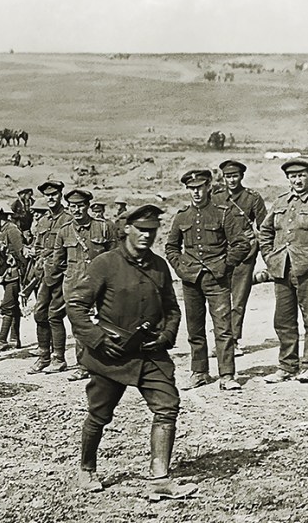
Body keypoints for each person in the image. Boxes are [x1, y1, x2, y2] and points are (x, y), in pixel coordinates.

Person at [66, 205, 187, 496]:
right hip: (111, 354)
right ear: (127, 230)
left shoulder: (159, 265)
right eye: (141, 230)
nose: (147, 235)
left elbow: (171, 308)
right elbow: (76, 305)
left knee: (167, 407)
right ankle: (86, 470)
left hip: (149, 353)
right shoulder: (105, 263)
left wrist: (166, 336)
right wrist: (96, 339)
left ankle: (160, 478)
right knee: (99, 413)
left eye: (152, 230)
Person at [164, 168, 250, 391]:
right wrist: (180, 267)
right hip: (191, 279)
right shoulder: (182, 216)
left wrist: (225, 265)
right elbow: (171, 247)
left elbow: (242, 244)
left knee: (223, 328)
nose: (196, 193)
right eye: (191, 189)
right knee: (194, 328)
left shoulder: (223, 213)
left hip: (217, 279)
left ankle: (227, 375)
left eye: (200, 188)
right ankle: (199, 372)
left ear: (209, 187)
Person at [259, 158, 308, 383]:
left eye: (301, 175)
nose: (297, 180)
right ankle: (287, 366)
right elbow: (265, 231)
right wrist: (270, 257)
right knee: (283, 319)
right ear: (288, 179)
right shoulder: (281, 201)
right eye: (293, 176)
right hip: (282, 268)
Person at [53, 189, 118, 381]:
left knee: (107, 321)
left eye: (80, 205)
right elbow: (58, 261)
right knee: (80, 325)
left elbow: (115, 255)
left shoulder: (104, 227)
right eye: (73, 206)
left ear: (88, 206)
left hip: (102, 283)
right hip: (75, 285)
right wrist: (73, 274)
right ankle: (83, 366)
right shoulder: (64, 231)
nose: (77, 210)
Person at [212, 159, 267, 355]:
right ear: (223, 177)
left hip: (245, 254)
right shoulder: (215, 197)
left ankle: (233, 340)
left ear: (241, 176)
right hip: (220, 254)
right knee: (219, 298)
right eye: (228, 176)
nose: (231, 180)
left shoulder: (253, 198)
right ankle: (221, 339)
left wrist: (265, 250)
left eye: (235, 176)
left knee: (238, 299)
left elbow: (264, 226)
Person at [28, 180, 69, 373]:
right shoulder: (43, 221)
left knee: (55, 315)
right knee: (39, 314)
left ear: (60, 195)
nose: (51, 198)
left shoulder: (68, 219)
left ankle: (58, 358)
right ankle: (43, 356)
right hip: (44, 274)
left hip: (61, 274)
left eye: (54, 194)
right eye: (48, 195)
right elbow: (38, 247)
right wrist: (38, 256)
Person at [0, 208, 26, 353]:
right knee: (13, 305)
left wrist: (24, 274)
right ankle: (15, 338)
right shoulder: (1, 230)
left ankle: (2, 340)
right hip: (6, 274)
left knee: (7, 305)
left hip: (15, 273)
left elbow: (21, 252)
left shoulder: (12, 229)